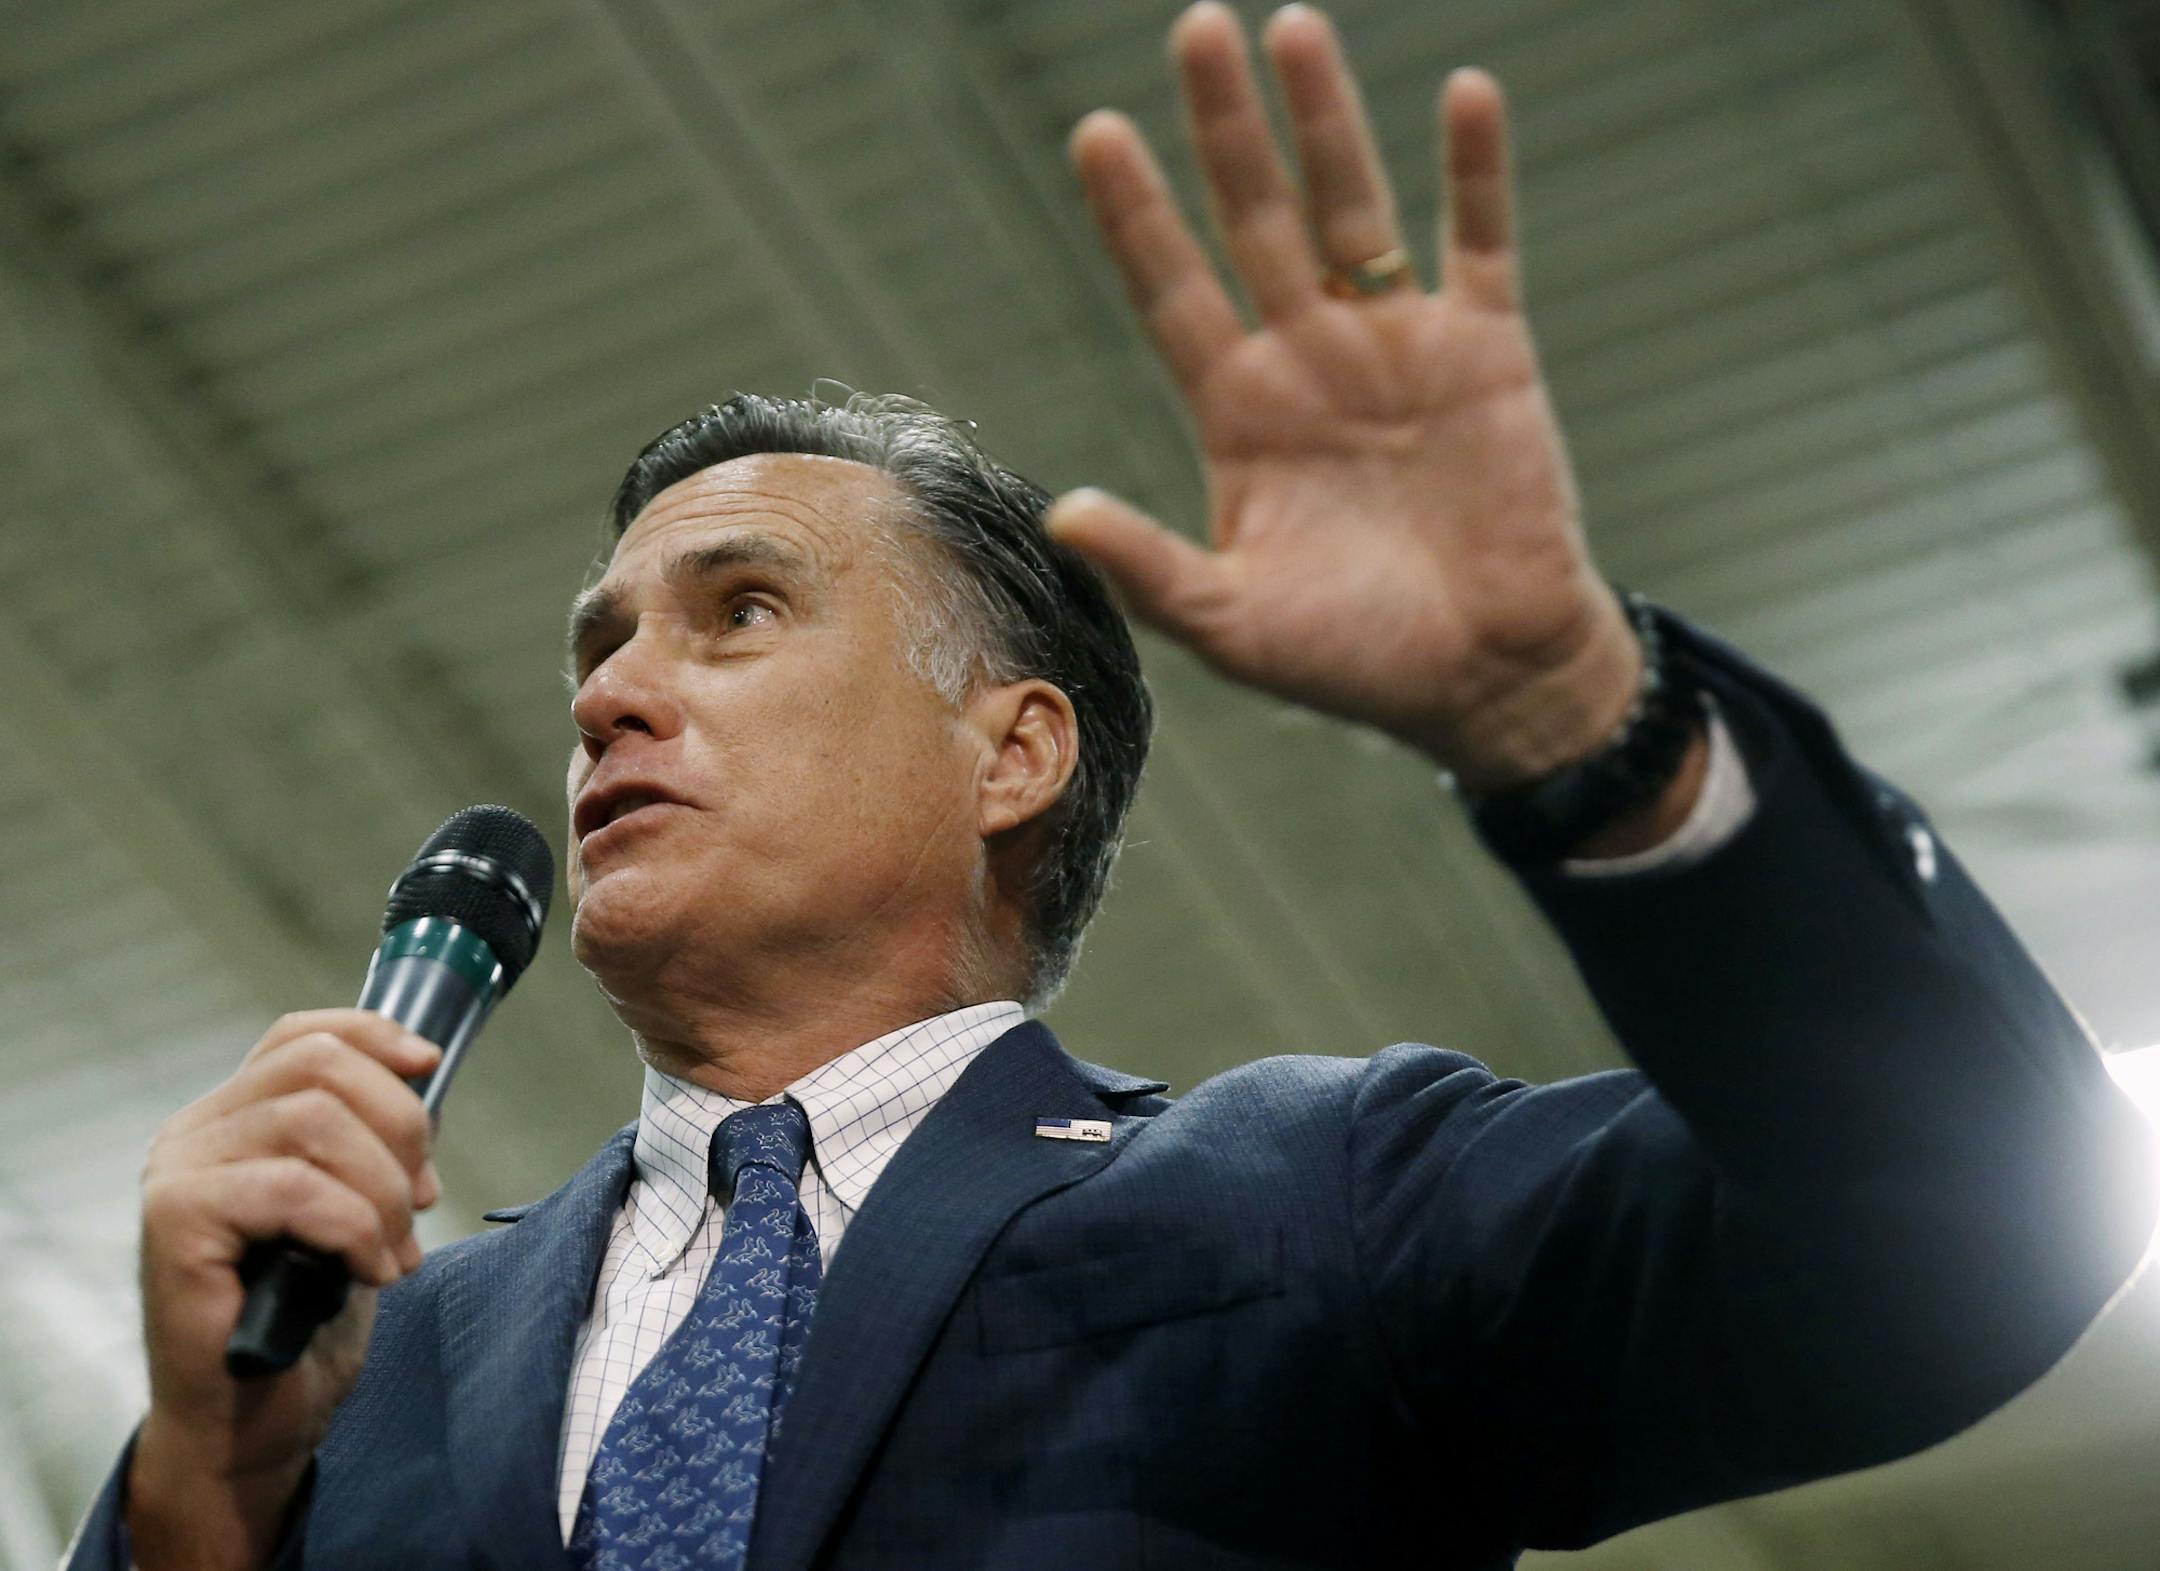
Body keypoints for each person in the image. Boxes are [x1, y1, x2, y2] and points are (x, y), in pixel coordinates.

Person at [68, 5, 2154, 1569]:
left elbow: (1957, 1240)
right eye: (600, 645)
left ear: (1014, 748)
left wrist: (1569, 712)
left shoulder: (1307, 1200)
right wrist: (199, 1491)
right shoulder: (355, 1367)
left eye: (736, 613)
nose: (614, 692)